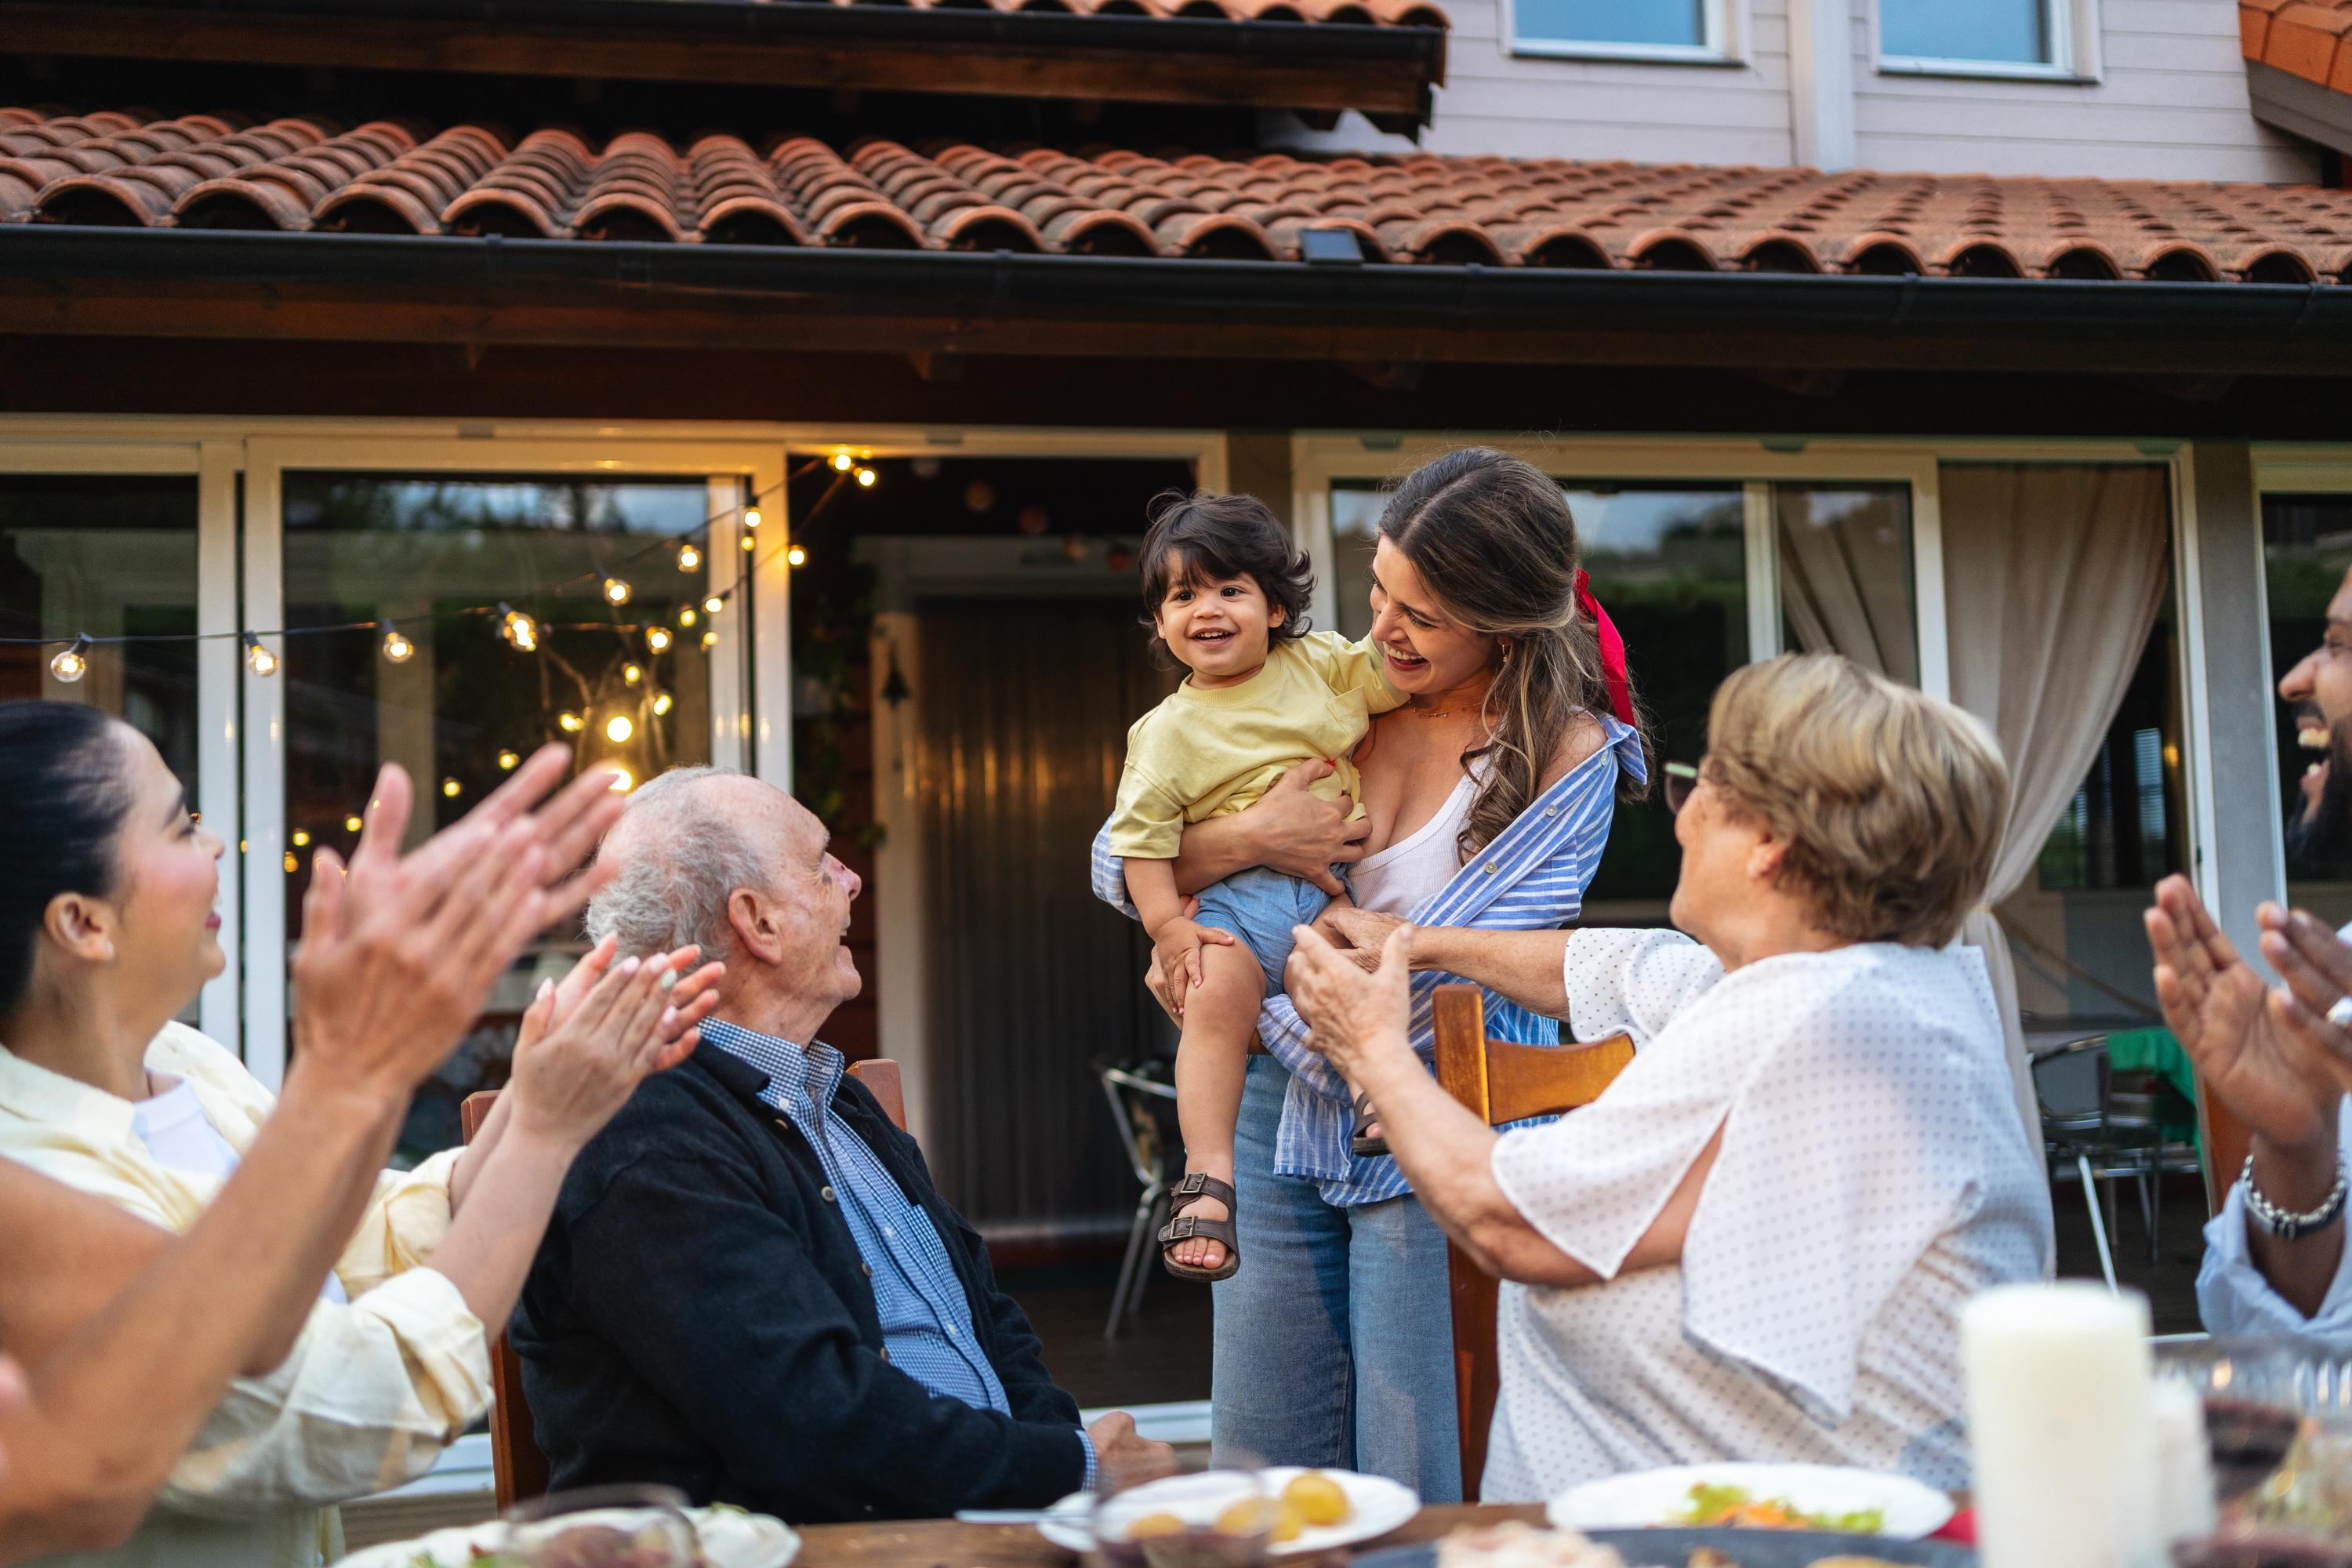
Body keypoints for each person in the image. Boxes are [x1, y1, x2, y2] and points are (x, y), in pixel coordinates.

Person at [1287, 653, 2052, 1499]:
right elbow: (1621, 967)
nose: (1681, 819)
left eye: (1700, 789)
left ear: (1770, 841)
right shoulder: (1884, 979)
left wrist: (1371, 1050)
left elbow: (1510, 1223)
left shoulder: (1814, 1021)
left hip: (1767, 1540)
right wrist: (1418, 940)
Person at [0, 702, 721, 1568]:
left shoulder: (186, 1061)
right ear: (83, 921)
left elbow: (342, 1246)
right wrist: (541, 1128)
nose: (215, 843)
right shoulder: (31, 1167)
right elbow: (352, 1394)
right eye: (180, 824)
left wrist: (535, 1089)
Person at [1091, 449, 1646, 1501]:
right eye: (1380, 593)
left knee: (1412, 1456)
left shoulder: (1563, 756)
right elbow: (1113, 861)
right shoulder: (1338, 693)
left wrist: (1254, 984)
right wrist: (1247, 837)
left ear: (1507, 620)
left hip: (1428, 1111)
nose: (1385, 630)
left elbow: (1477, 971)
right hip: (1267, 1114)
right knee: (1266, 1453)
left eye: (1423, 615)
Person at [514, 766, 1174, 1523]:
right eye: (822, 861)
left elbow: (987, 1320)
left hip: (975, 1524)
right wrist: (1075, 1469)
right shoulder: (644, 1139)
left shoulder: (836, 1099)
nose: (852, 879)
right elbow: (813, 1424)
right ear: (757, 923)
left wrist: (1056, 1482)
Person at [1109, 492, 1405, 1281]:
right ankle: (1209, 1180)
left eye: (1229, 589)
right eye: (1183, 594)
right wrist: (1169, 928)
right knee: (1210, 999)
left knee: (1363, 967)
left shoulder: (1323, 669)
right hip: (1237, 907)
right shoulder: (1165, 731)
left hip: (1327, 896)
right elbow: (1138, 843)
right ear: (1163, 621)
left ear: (1277, 607)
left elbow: (1399, 670)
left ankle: (1381, 1091)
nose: (1206, 608)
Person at [2152, 559, 2352, 1334]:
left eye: (2338, 645)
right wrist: (2299, 1145)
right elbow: (2263, 1341)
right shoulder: (2336, 977)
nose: (2295, 679)